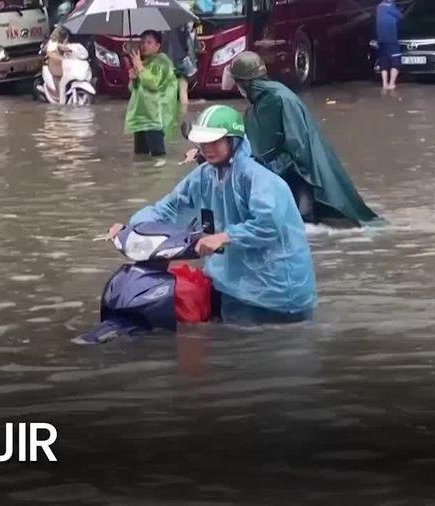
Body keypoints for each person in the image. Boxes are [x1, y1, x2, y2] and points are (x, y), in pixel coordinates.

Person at [108, 105, 317, 325]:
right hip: (230, 284)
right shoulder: (203, 176)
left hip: (276, 295)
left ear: (232, 140)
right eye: (203, 142)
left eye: (214, 142)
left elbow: (268, 225)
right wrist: (131, 228)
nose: (207, 148)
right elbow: (168, 208)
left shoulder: (259, 179)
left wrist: (224, 237)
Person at [207, 51, 381, 227]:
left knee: (304, 221)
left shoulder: (276, 99)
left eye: (237, 82)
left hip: (300, 172)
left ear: (245, 82)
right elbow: (251, 142)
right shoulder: (264, 101)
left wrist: (268, 170)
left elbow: (293, 146)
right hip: (291, 171)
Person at [125, 30, 180, 165]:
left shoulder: (163, 62)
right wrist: (134, 77)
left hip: (155, 116)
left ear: (158, 45)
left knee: (158, 155)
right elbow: (133, 90)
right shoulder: (144, 63)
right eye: (142, 42)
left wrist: (140, 67)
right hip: (141, 116)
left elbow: (154, 83)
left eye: (149, 42)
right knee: (140, 156)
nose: (144, 45)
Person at [376, 0, 403, 91]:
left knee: (384, 62)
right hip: (391, 40)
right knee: (396, 63)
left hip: (381, 40)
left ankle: (384, 84)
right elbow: (401, 16)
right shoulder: (390, 6)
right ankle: (391, 84)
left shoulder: (379, 6)